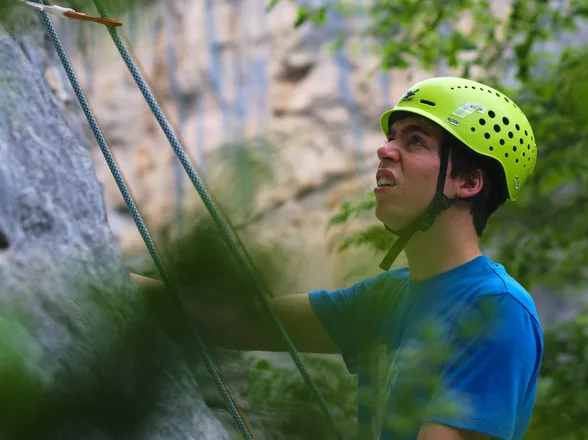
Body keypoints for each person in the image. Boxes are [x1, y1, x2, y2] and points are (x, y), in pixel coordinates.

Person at [132, 77, 544, 440]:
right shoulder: (389, 297)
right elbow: (241, 322)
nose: (385, 151)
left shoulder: (495, 310)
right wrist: (107, 279)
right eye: (392, 137)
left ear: (469, 182)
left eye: (415, 141)